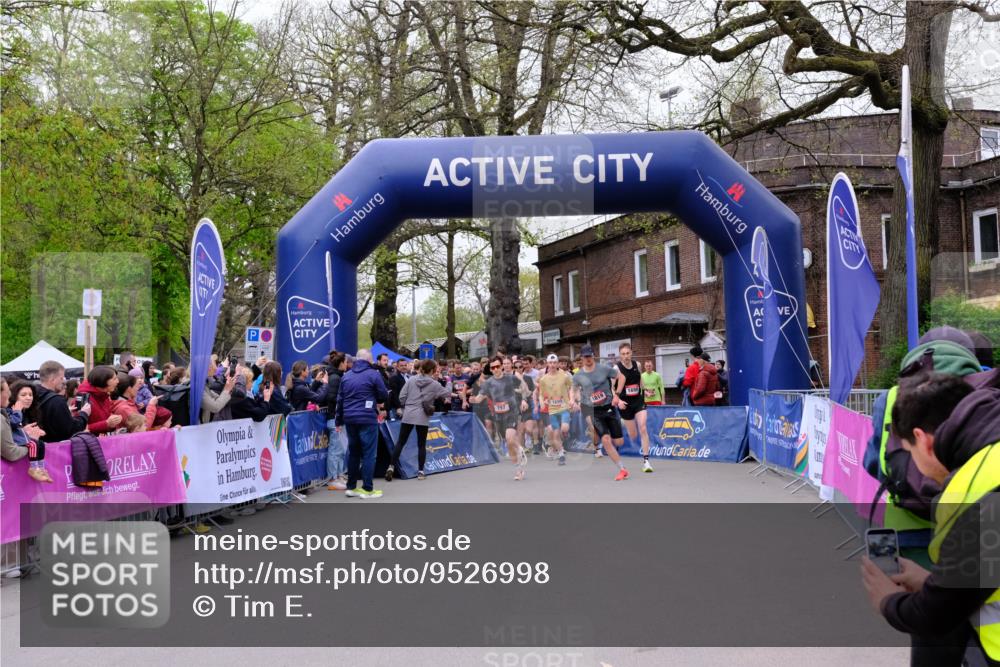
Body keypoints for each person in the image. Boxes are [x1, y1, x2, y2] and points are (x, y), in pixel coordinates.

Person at [860, 373, 1000, 666]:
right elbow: (977, 581)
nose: (920, 472)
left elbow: (937, 615)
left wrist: (888, 600)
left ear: (923, 440)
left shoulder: (975, 493)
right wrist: (931, 582)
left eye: (910, 454)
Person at [385, 359, 451, 482]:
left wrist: (408, 405)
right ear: (432, 370)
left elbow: (401, 397)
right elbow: (447, 393)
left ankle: (391, 466)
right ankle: (420, 472)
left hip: (409, 413)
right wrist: (448, 382)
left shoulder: (411, 379)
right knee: (421, 444)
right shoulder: (434, 383)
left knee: (401, 442)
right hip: (422, 415)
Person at [335, 349, 388, 499]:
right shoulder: (373, 374)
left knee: (353, 453)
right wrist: (377, 399)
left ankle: (351, 487)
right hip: (367, 418)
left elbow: (340, 400)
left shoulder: (346, 376)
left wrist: (338, 420)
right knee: (369, 454)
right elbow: (383, 394)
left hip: (350, 418)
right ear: (369, 360)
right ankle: (367, 488)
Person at [571, 345, 629, 481]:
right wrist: (572, 400)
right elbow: (573, 388)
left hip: (609, 408)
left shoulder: (603, 368)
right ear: (582, 358)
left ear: (593, 356)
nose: (588, 359)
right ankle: (622, 469)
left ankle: (619, 423)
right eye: (585, 357)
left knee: (619, 441)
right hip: (594, 411)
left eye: (590, 356)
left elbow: (622, 377)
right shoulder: (578, 374)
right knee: (606, 439)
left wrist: (617, 395)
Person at [472, 356, 530, 481]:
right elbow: (479, 397)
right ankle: (518, 467)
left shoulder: (510, 378)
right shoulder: (488, 383)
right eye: (493, 367)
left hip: (512, 413)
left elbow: (524, 388)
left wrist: (524, 400)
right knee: (509, 445)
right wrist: (473, 399)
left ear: (502, 366)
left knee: (510, 438)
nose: (496, 369)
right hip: (498, 416)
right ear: (491, 369)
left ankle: (520, 451)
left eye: (498, 366)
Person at [612, 342, 653, 473]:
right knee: (633, 435)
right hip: (625, 404)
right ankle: (624, 422)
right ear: (620, 355)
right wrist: (618, 401)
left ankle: (646, 461)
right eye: (623, 354)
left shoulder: (637, 365)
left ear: (631, 353)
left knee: (643, 427)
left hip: (638, 401)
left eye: (628, 353)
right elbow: (611, 387)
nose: (626, 356)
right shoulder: (616, 369)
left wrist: (645, 390)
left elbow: (639, 378)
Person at [2, 379, 51, 481]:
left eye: (30, 394)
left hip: (20, 451)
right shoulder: (11, 411)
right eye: (23, 395)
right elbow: (11, 428)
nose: (28, 398)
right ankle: (35, 468)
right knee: (34, 444)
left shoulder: (31, 412)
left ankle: (41, 468)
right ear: (14, 396)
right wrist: (26, 434)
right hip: (12, 463)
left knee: (39, 443)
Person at [34, 360, 91, 445]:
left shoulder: (32, 395)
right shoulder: (57, 401)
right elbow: (70, 430)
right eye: (61, 378)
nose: (63, 381)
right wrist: (84, 414)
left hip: (38, 447)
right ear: (52, 379)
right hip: (56, 449)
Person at [537, 353, 571, 465]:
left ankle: (565, 435)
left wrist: (572, 400)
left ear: (557, 364)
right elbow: (541, 394)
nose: (552, 365)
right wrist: (541, 402)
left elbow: (571, 388)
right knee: (555, 434)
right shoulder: (544, 379)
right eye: (550, 363)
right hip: (552, 410)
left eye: (554, 362)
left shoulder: (564, 376)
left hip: (564, 407)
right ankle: (561, 455)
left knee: (564, 428)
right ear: (547, 364)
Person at [323, 353, 348, 491]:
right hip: (335, 418)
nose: (347, 364)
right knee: (335, 450)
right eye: (345, 362)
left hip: (338, 418)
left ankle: (338, 475)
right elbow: (332, 397)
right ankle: (332, 478)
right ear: (341, 363)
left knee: (340, 449)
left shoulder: (337, 377)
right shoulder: (335, 378)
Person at [77, 365, 123, 435]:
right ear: (103, 380)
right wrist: (106, 424)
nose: (118, 381)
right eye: (114, 379)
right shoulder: (83, 398)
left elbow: (104, 419)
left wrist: (113, 422)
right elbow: (78, 428)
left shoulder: (104, 395)